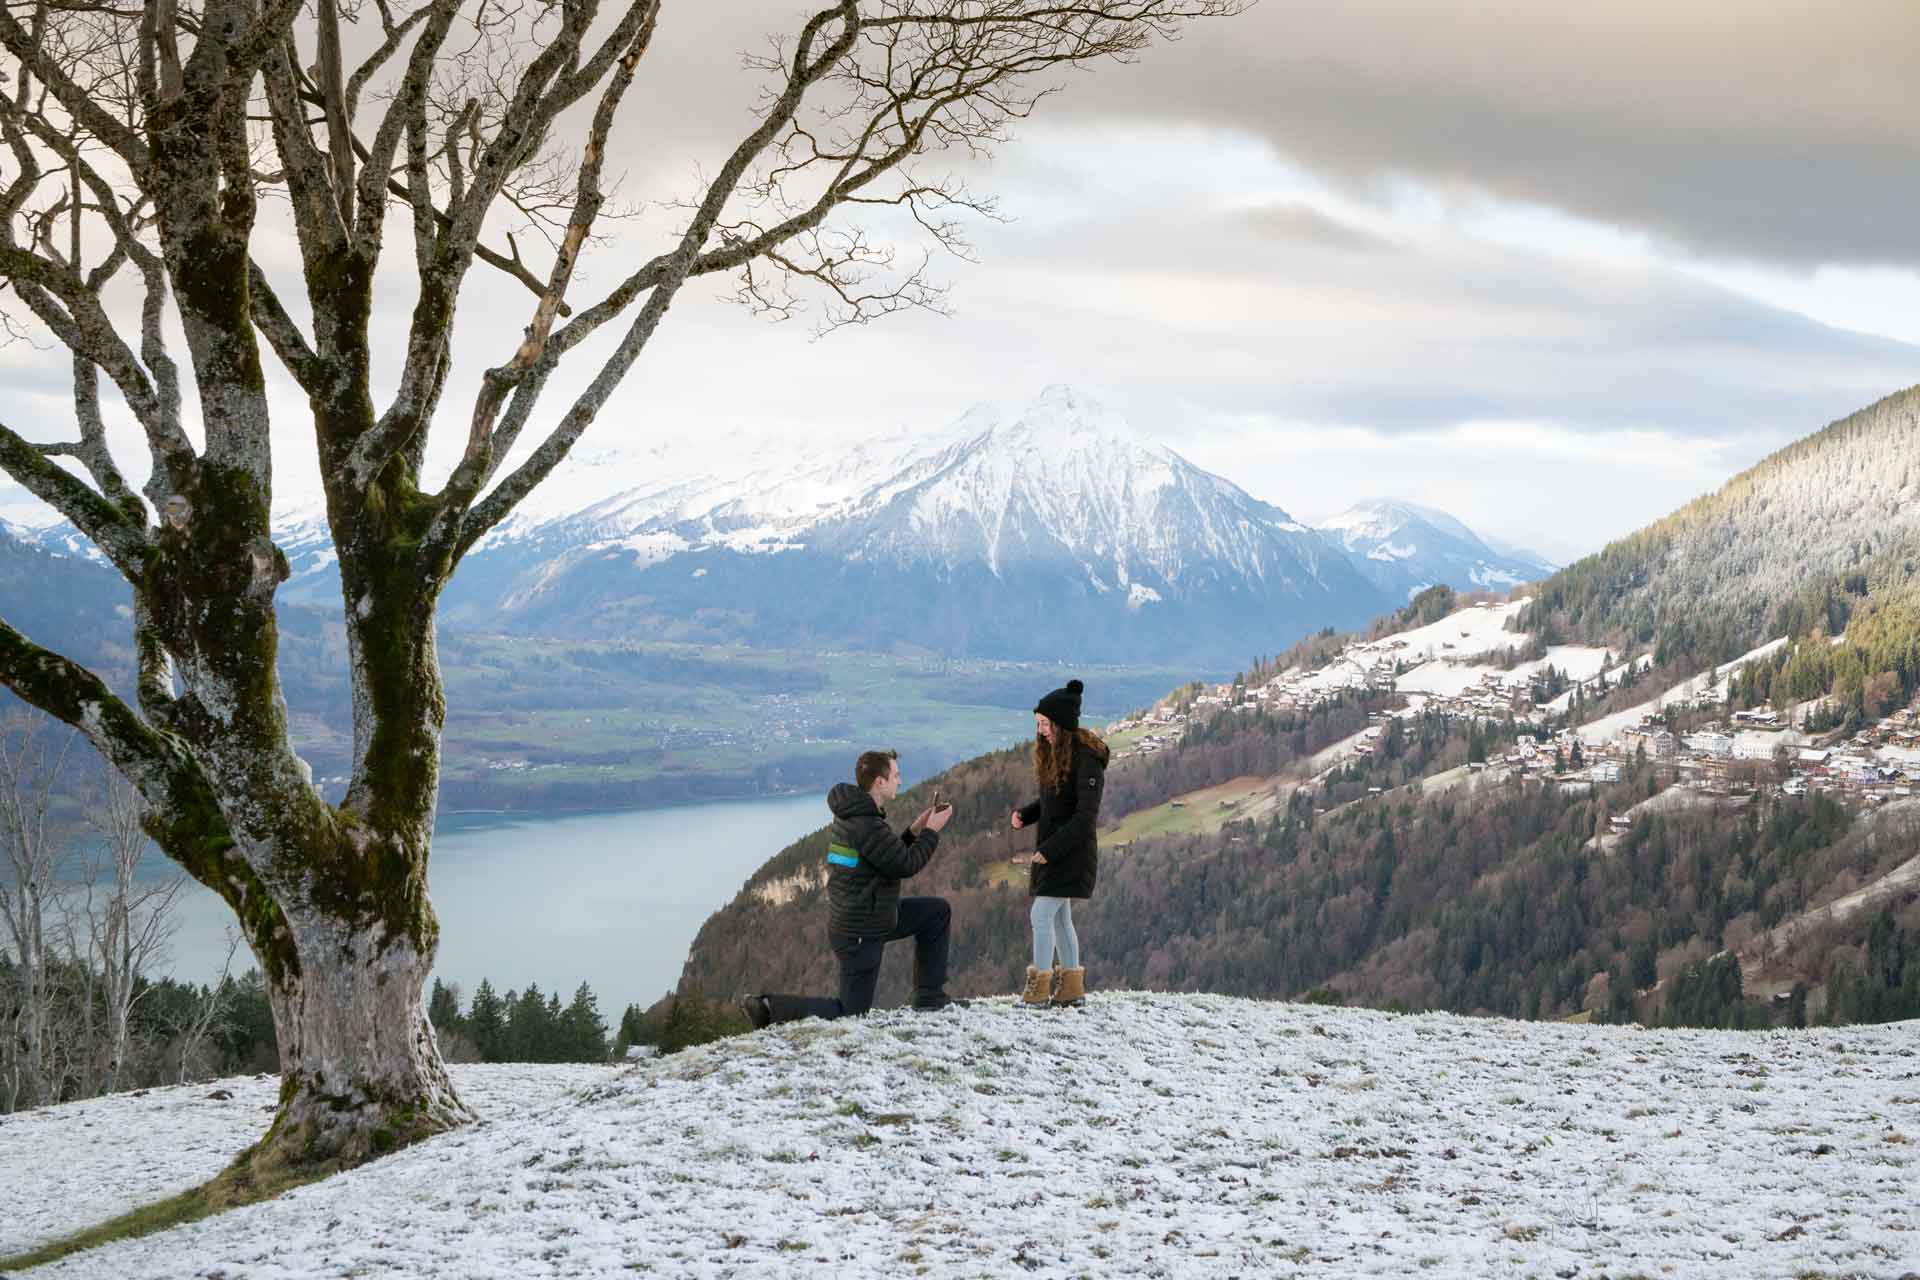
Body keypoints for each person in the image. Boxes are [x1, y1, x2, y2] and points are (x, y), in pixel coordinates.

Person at [739, 749, 959, 1027]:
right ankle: (769, 1008)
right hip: (860, 931)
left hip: (872, 914)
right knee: (850, 1013)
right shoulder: (865, 824)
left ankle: (930, 998)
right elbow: (906, 865)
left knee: (936, 913)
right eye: (896, 775)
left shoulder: (857, 816)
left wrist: (914, 831)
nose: (899, 782)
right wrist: (932, 831)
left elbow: (884, 858)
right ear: (880, 782)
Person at [1010, 679, 1109, 1009]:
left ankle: (1038, 991)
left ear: (1061, 724)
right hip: (1058, 851)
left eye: (1044, 724)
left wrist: (1049, 850)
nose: (1040, 731)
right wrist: (1026, 814)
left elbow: (1084, 818)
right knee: (1058, 919)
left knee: (1041, 916)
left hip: (1070, 854)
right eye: (1038, 725)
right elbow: (1054, 802)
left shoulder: (1087, 762)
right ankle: (1071, 990)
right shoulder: (1059, 755)